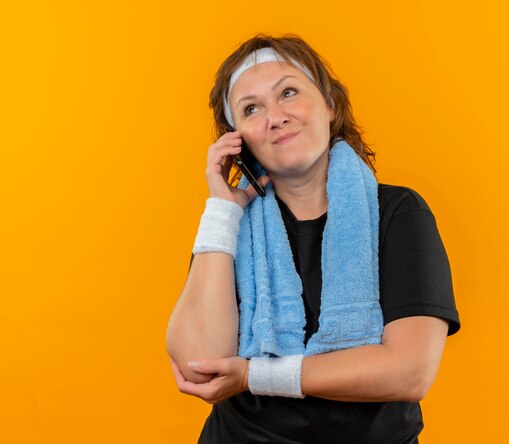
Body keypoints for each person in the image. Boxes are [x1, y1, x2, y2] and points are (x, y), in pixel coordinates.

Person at [166, 33, 461, 444]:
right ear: (237, 141)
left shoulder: (398, 212)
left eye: (288, 92)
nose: (275, 116)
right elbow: (201, 364)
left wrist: (255, 376)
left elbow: (409, 372)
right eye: (251, 109)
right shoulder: (231, 228)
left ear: (330, 104)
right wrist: (222, 211)